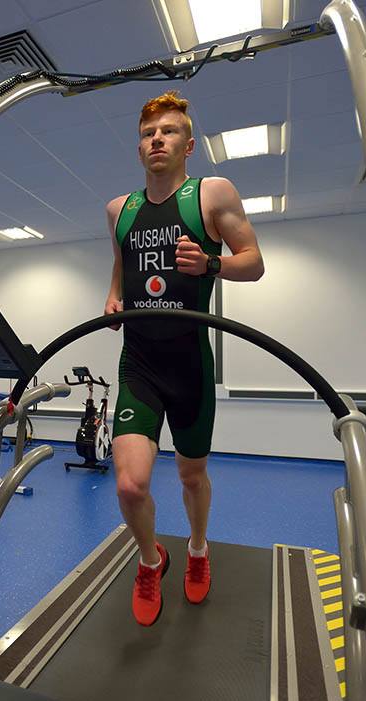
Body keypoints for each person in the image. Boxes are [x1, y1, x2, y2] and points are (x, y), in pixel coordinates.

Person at [104, 91, 265, 626]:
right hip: (140, 365)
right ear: (138, 147)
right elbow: (121, 262)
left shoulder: (212, 194)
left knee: (192, 477)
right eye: (149, 133)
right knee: (130, 484)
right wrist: (114, 295)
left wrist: (212, 265)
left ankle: (197, 549)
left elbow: (254, 262)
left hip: (192, 366)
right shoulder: (118, 211)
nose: (157, 139)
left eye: (169, 132)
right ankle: (151, 560)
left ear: (188, 144)